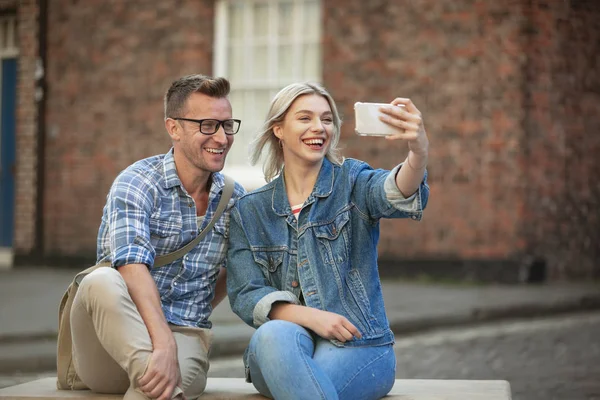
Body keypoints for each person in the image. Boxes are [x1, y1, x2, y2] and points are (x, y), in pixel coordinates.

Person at [226, 82, 430, 400]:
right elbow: (245, 294)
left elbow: (393, 193)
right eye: (305, 118)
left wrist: (418, 152)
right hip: (281, 352)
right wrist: (313, 318)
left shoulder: (351, 182)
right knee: (272, 335)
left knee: (305, 382)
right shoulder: (250, 211)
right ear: (278, 128)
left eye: (327, 119)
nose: (319, 128)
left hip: (359, 347)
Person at [70, 74, 246, 400]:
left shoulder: (236, 199)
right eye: (207, 125)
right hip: (109, 342)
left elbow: (235, 270)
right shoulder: (137, 183)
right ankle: (162, 373)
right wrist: (162, 343)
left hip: (184, 336)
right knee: (100, 281)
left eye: (227, 125)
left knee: (157, 387)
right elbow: (131, 265)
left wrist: (192, 314)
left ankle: (159, 381)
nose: (221, 138)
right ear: (173, 128)